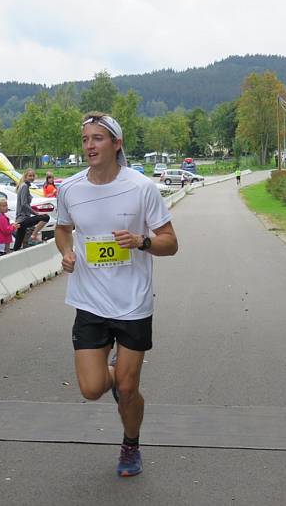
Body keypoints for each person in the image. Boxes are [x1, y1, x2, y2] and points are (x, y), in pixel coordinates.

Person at [56, 112, 178, 477]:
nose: (89, 146)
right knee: (92, 388)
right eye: (85, 139)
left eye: (97, 138)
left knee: (128, 389)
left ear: (116, 144)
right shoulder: (70, 189)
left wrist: (142, 241)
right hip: (89, 301)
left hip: (133, 303)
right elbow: (63, 229)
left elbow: (171, 243)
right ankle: (112, 372)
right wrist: (65, 251)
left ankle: (130, 442)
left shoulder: (142, 188)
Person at [12, 168, 49, 250]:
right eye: (30, 176)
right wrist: (35, 213)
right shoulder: (24, 186)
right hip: (23, 219)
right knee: (45, 217)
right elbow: (24, 204)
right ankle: (33, 236)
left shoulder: (24, 186)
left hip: (21, 219)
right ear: (25, 176)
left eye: (33, 176)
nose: (32, 177)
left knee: (18, 245)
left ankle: (25, 236)